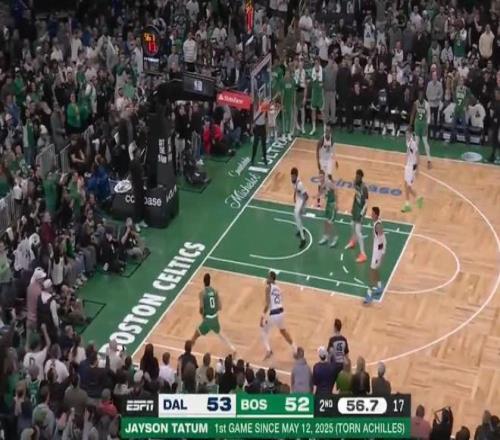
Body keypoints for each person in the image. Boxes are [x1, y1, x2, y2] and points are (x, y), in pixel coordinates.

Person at [190, 273, 236, 355]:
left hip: (208, 319)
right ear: (210, 281)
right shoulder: (215, 291)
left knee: (194, 336)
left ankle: (188, 351)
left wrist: (202, 315)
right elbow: (220, 307)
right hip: (215, 317)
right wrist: (213, 309)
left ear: (203, 282)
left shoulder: (202, 293)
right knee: (220, 333)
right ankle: (232, 348)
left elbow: (201, 307)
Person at [260, 271, 297, 360]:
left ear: (272, 279)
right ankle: (295, 349)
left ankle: (269, 351)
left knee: (263, 331)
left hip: (274, 314)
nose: (266, 279)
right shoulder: (278, 288)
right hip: (281, 312)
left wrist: (262, 316)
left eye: (268, 277)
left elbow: (267, 304)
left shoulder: (268, 288)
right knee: (283, 331)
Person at [364, 206, 386, 304]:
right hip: (376, 250)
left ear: (376, 215)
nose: (371, 215)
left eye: (372, 214)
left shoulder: (378, 226)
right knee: (375, 269)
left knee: (372, 271)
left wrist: (381, 254)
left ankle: (369, 294)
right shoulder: (377, 223)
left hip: (378, 252)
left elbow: (382, 240)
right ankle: (380, 286)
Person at [345, 169, 368, 263]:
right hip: (355, 208)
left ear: (361, 177)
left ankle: (363, 254)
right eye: (356, 176)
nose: (356, 178)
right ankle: (353, 241)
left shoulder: (364, 188)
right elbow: (355, 193)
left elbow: (366, 203)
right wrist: (353, 207)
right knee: (351, 224)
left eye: (358, 177)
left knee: (358, 232)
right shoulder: (356, 184)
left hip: (361, 210)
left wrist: (362, 213)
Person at [402, 128, 424, 213]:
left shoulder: (413, 144)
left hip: (412, 167)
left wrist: (417, 169)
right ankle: (417, 198)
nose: (406, 135)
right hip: (408, 166)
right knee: (406, 185)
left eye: (408, 134)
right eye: (406, 134)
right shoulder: (407, 141)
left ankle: (408, 205)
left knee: (408, 187)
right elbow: (408, 153)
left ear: (411, 134)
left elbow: (418, 155)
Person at [316, 124, 338, 208]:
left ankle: (330, 196)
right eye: (326, 131)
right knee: (321, 180)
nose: (327, 132)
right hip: (322, 161)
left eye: (329, 131)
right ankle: (318, 200)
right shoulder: (322, 139)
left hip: (328, 160)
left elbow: (333, 150)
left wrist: (335, 161)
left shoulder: (332, 139)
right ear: (325, 131)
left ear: (330, 131)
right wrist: (318, 161)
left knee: (329, 177)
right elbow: (317, 150)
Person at [410, 88, 432, 169]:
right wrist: (410, 124)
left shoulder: (427, 104)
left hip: (423, 124)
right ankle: (415, 161)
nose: (420, 96)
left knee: (425, 143)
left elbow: (429, 116)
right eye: (419, 95)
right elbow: (413, 114)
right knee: (416, 143)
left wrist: (427, 125)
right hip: (417, 124)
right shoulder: (416, 103)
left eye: (421, 95)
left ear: (423, 96)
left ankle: (429, 160)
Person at [316, 170, 339, 247]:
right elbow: (321, 191)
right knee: (326, 221)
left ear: (324, 176)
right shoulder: (322, 184)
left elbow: (335, 190)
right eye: (319, 177)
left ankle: (335, 238)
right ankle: (326, 236)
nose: (320, 178)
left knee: (330, 223)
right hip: (328, 205)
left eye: (322, 177)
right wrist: (317, 196)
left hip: (332, 205)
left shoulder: (328, 182)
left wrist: (336, 204)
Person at [291, 167, 309, 249]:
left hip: (303, 200)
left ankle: (303, 239)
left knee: (297, 215)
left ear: (296, 176)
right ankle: (301, 230)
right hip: (299, 199)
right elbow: (295, 190)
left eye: (293, 176)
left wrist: (302, 206)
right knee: (297, 216)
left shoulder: (300, 184)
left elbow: (306, 196)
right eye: (291, 176)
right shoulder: (293, 181)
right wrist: (294, 197)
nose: (292, 177)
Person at [251, 100, 268, 166]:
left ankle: (265, 158)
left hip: (262, 127)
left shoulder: (264, 106)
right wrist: (252, 127)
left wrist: (266, 128)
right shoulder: (254, 107)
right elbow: (253, 118)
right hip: (257, 127)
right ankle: (252, 159)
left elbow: (266, 117)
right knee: (255, 144)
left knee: (264, 144)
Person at [309, 58, 324, 135]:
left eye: (317, 63)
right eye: (315, 63)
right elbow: (312, 81)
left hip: (320, 93)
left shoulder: (322, 71)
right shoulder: (312, 70)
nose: (316, 64)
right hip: (314, 93)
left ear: (319, 63)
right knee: (313, 111)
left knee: (322, 111)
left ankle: (325, 129)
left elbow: (323, 82)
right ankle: (313, 128)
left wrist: (321, 83)